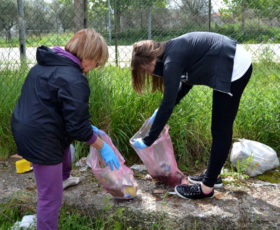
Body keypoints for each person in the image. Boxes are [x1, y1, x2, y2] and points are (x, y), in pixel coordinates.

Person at [11, 28, 120, 230]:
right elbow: (78, 128)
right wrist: (101, 145)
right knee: (49, 199)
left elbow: (54, 107)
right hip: (42, 138)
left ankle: (60, 179)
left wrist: (88, 127)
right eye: (96, 61)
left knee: (64, 156)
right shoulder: (75, 79)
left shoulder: (43, 66)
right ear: (88, 55)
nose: (95, 67)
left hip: (26, 127)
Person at [131, 31, 252, 199]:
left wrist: (148, 139)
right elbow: (186, 83)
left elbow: (167, 103)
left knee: (220, 129)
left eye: (145, 70)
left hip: (234, 66)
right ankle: (213, 175)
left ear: (152, 59)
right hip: (226, 60)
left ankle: (206, 188)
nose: (149, 74)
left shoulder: (172, 60)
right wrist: (160, 112)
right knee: (218, 127)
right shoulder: (171, 53)